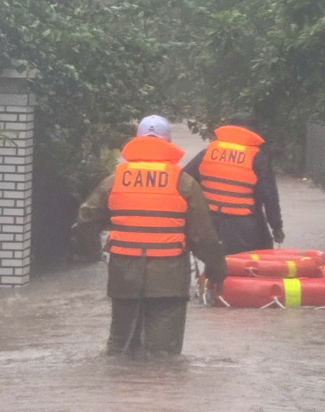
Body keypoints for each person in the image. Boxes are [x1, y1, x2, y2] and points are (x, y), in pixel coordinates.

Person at [71, 116, 227, 357]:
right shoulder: (183, 183)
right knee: (163, 354)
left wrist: (90, 252)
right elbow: (203, 237)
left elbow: (85, 221)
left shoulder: (114, 181)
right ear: (168, 143)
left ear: (136, 141)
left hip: (124, 277)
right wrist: (217, 270)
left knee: (120, 350)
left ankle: (117, 393)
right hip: (169, 279)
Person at [183, 113, 285, 255]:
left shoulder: (208, 152)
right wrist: (276, 227)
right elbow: (269, 196)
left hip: (210, 223)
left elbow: (184, 181)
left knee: (215, 266)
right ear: (252, 130)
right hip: (244, 227)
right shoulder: (256, 157)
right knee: (252, 261)